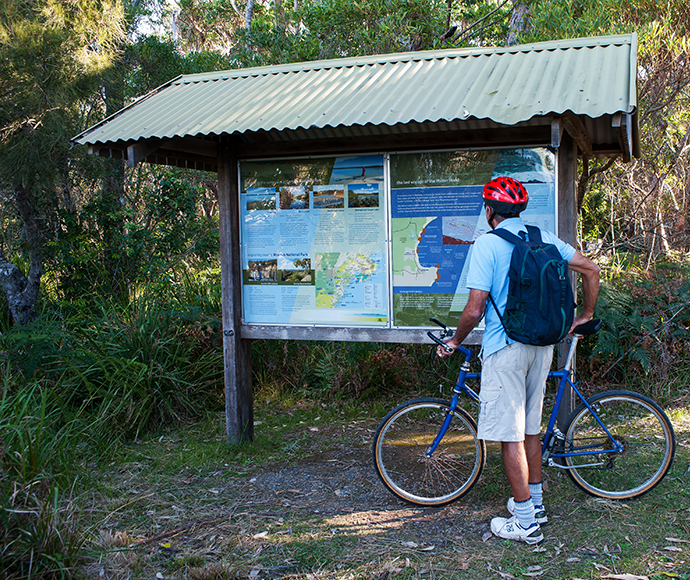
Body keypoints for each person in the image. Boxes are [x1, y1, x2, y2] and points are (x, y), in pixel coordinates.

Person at [437, 176, 600, 544]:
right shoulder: (542, 238)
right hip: (543, 346)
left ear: (489, 210)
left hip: (505, 348)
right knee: (529, 429)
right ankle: (536, 504)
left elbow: (475, 308)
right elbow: (591, 270)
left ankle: (525, 522)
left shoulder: (487, 245)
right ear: (520, 209)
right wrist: (584, 315)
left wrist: (454, 340)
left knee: (508, 435)